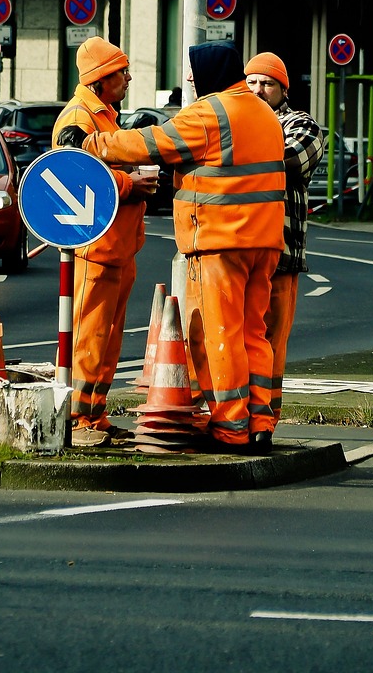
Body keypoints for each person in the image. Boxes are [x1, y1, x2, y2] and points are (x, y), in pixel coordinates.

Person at [82, 41, 286, 454]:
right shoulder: (265, 113)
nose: (191, 80)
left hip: (221, 241)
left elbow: (151, 144)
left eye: (194, 73)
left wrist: (92, 145)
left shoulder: (212, 112)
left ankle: (231, 426)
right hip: (264, 241)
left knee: (219, 335)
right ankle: (261, 422)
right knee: (254, 333)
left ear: (210, 74)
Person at [53, 37, 158, 447]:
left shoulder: (103, 117)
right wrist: (131, 182)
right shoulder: (78, 118)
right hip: (96, 247)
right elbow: (72, 176)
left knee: (108, 336)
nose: (129, 78)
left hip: (115, 246)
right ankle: (79, 418)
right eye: (122, 72)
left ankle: (93, 415)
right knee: (89, 335)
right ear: (100, 80)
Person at [244, 52, 324, 441]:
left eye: (267, 84)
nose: (258, 90)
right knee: (236, 336)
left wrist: (237, 152)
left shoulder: (301, 124)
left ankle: (265, 421)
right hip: (238, 250)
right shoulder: (238, 118)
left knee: (271, 340)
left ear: (282, 89)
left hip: (282, 254)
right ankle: (233, 415)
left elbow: (290, 160)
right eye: (252, 82)